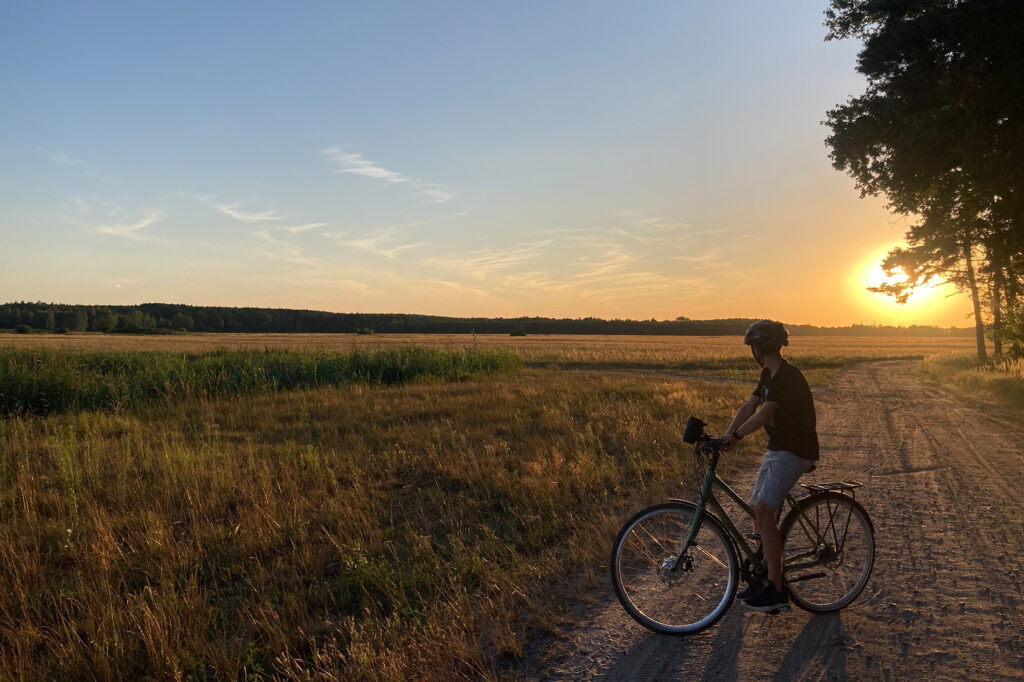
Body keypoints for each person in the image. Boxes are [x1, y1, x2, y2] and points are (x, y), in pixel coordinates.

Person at [721, 320, 819, 613]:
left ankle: (776, 589)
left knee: (764, 510)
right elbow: (748, 407)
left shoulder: (787, 377)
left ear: (760, 347)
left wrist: (736, 437)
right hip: (778, 448)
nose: (752, 351)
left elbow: (764, 415)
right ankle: (764, 578)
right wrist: (728, 435)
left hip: (796, 450)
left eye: (753, 346)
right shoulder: (769, 374)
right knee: (758, 509)